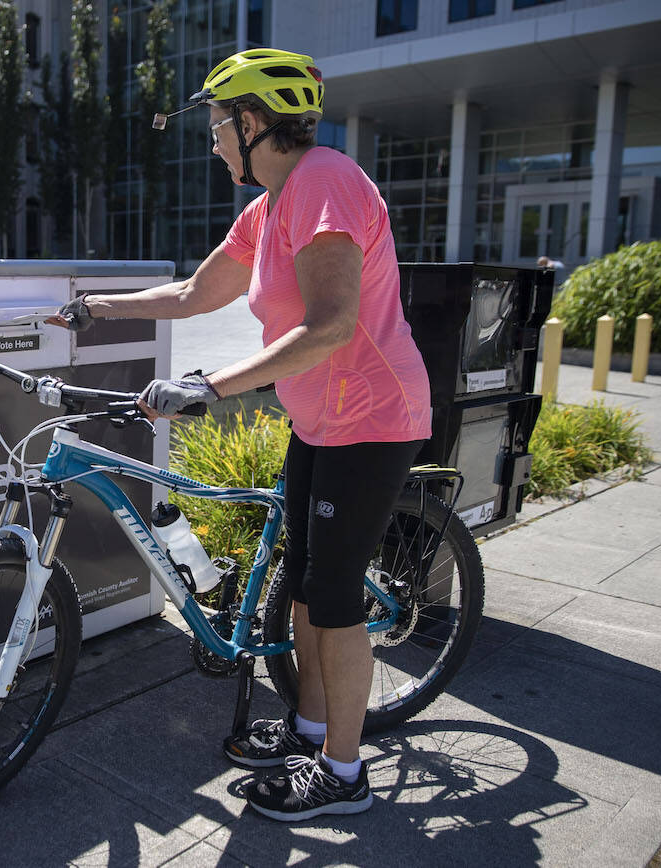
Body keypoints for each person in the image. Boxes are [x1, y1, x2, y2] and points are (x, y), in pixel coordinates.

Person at [48, 49, 432, 822]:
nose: (215, 140)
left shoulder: (325, 181)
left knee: (332, 601)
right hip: (321, 418)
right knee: (304, 583)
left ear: (253, 122)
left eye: (219, 125)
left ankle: (344, 776)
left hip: (370, 418)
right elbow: (195, 294)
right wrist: (98, 307)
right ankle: (311, 730)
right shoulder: (271, 206)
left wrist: (207, 386)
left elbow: (331, 327)